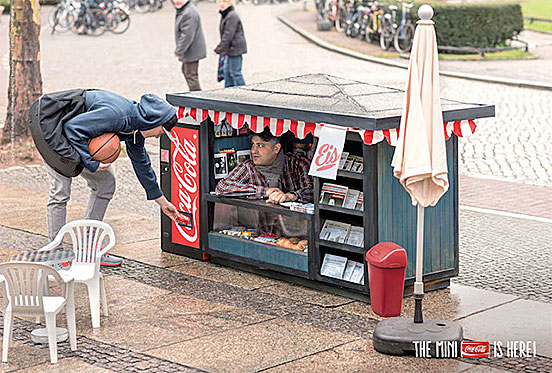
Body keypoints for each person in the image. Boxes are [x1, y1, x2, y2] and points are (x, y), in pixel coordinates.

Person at [45, 90, 183, 267]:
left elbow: (143, 165)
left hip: (75, 133)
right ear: (154, 121)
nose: (159, 136)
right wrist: (91, 163)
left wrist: (162, 202)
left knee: (106, 183)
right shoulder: (117, 116)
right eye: (162, 131)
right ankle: (54, 254)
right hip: (52, 125)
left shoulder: (135, 128)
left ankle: (88, 249)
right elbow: (73, 128)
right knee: (60, 190)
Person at [215, 128, 313, 203]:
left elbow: (313, 191)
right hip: (260, 226)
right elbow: (222, 187)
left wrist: (291, 196)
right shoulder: (248, 167)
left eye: (260, 145)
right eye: (253, 145)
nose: (254, 151)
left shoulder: (298, 164)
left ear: (276, 148)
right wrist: (264, 192)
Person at [173, 0, 206, 91]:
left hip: (192, 50)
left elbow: (187, 35)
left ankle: (198, 99)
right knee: (187, 71)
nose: (176, 1)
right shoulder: (184, 10)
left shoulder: (189, 13)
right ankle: (195, 97)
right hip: (190, 49)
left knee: (191, 75)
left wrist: (179, 50)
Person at [214, 0, 247, 88]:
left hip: (235, 49)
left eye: (224, 2)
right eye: (219, 1)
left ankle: (245, 94)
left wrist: (219, 49)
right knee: (227, 72)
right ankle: (228, 93)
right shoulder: (225, 14)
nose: (221, 4)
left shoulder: (232, 15)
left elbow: (228, 35)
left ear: (230, 3)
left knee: (235, 73)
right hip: (229, 49)